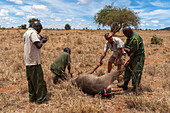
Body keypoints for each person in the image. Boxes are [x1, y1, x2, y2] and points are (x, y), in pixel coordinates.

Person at [23, 21, 48, 104]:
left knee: (31, 82)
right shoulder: (33, 33)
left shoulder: (26, 33)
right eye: (40, 28)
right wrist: (42, 41)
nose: (40, 30)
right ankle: (41, 99)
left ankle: (32, 98)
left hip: (28, 61)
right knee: (39, 81)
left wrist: (39, 39)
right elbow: (38, 46)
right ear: (36, 27)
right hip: (34, 62)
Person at [117, 26, 145, 92]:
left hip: (138, 57)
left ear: (129, 32)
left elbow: (132, 53)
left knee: (136, 72)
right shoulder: (129, 36)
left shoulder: (135, 39)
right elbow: (125, 45)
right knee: (128, 70)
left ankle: (135, 89)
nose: (124, 35)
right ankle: (125, 85)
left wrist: (128, 62)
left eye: (125, 33)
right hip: (133, 55)